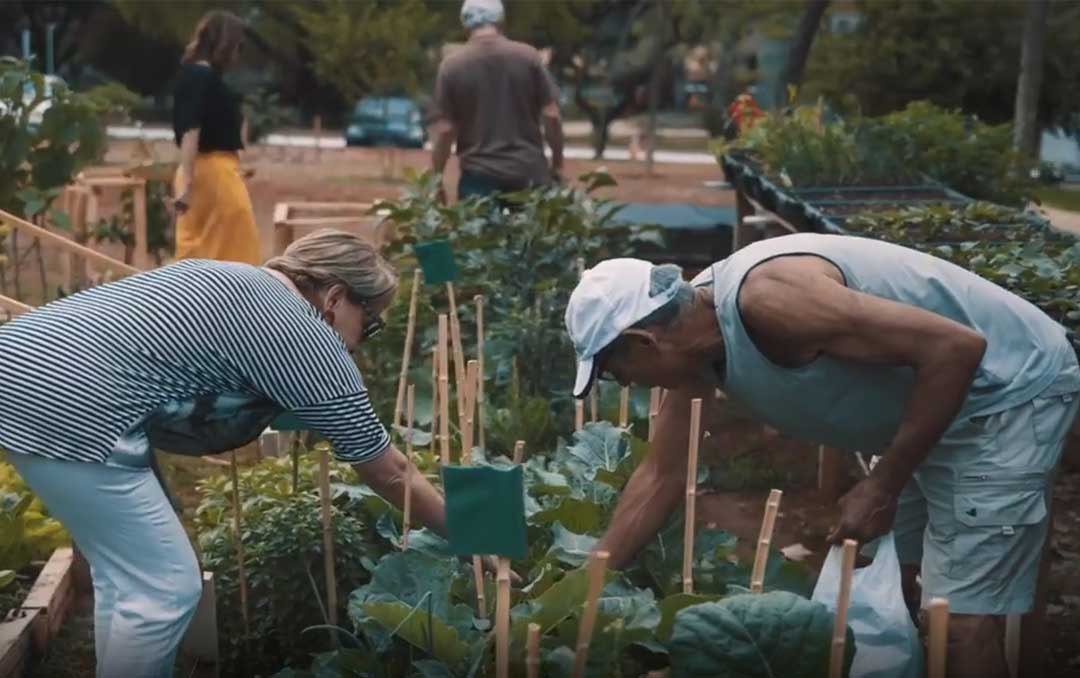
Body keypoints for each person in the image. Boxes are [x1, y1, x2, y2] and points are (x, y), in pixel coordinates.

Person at [564, 233, 1080, 678]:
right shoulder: (697, 347)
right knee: (898, 591)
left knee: (960, 621)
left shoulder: (771, 303)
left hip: (1006, 394)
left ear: (645, 342)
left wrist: (883, 485)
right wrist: (580, 591)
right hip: (935, 406)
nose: (625, 384)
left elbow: (957, 349)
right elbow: (662, 475)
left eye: (615, 372)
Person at [0, 230, 453, 677]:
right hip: (70, 401)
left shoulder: (233, 277)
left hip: (22, 368)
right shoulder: (301, 333)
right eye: (369, 323)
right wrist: (470, 537)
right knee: (166, 587)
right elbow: (388, 470)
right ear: (335, 297)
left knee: (129, 577)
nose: (359, 343)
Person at [430, 0, 565, 204]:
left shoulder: (452, 67)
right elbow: (551, 115)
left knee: (480, 235)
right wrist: (557, 165)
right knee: (530, 236)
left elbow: (445, 130)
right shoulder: (528, 57)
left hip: (479, 178)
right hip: (529, 174)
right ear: (501, 20)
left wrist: (437, 179)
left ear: (465, 24)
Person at [171, 10, 261, 265]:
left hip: (208, 171)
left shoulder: (195, 76)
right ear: (226, 43)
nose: (238, 54)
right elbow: (191, 129)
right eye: (239, 46)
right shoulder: (202, 77)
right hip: (212, 173)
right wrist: (188, 183)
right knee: (234, 253)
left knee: (198, 253)